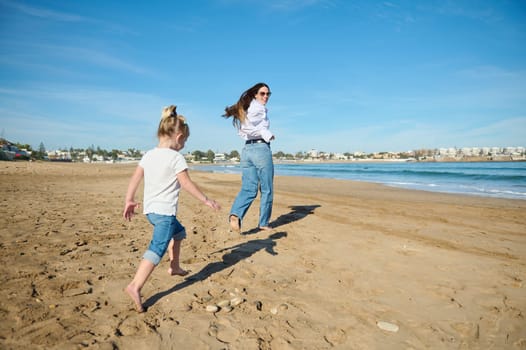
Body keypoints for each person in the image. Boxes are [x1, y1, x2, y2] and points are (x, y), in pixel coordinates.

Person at [123, 105, 220, 313]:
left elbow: (135, 179)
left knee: (179, 232)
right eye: (184, 141)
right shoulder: (176, 158)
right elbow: (186, 183)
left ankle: (174, 266)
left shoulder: (148, 155)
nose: (184, 145)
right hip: (164, 214)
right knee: (157, 248)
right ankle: (135, 286)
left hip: (151, 211)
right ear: (178, 136)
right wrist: (206, 200)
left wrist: (129, 200)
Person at [223, 82, 275, 232]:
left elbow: (244, 129)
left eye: (268, 94)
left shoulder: (245, 108)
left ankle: (235, 215)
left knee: (249, 187)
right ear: (255, 95)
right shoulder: (258, 109)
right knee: (267, 189)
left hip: (247, 150)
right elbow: (256, 127)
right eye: (262, 94)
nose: (265, 96)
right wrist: (267, 134)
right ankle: (263, 223)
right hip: (260, 149)